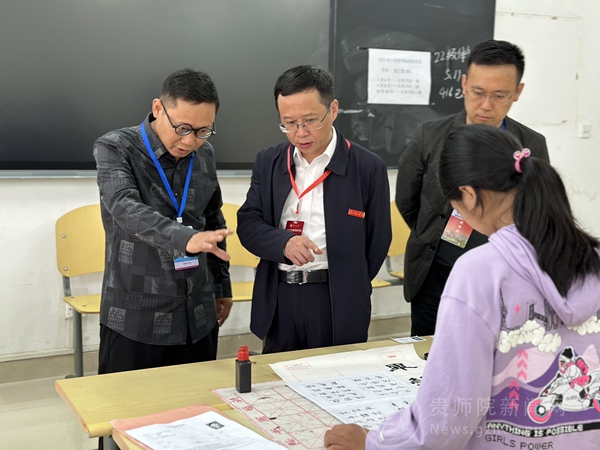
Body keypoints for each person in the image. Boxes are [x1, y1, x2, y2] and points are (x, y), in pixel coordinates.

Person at [324, 124, 600, 449]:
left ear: (468, 194)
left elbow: (450, 413)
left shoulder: (480, 271)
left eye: (455, 205)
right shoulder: (593, 257)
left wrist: (374, 442)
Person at [396, 40, 550, 337]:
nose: (486, 105)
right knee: (428, 350)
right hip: (435, 273)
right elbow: (407, 198)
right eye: (478, 92)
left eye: (500, 95)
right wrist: (432, 234)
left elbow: (538, 210)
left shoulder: (531, 144)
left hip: (501, 278)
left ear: (517, 92)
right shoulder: (430, 136)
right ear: (464, 84)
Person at [237, 65, 391, 353]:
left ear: (333, 109)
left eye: (310, 121)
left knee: (336, 373)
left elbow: (378, 240)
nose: (300, 133)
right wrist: (284, 243)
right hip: (280, 296)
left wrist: (348, 281)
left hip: (335, 298)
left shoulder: (367, 167)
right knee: (278, 375)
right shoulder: (269, 162)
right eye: (289, 123)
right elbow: (248, 224)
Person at [93, 69, 234, 375]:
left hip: (197, 316)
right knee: (128, 404)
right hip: (136, 317)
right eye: (182, 127)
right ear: (158, 108)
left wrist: (222, 285)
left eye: (203, 130)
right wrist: (186, 238)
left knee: (197, 402)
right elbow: (125, 207)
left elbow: (213, 218)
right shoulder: (116, 147)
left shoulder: (205, 153)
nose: (190, 140)